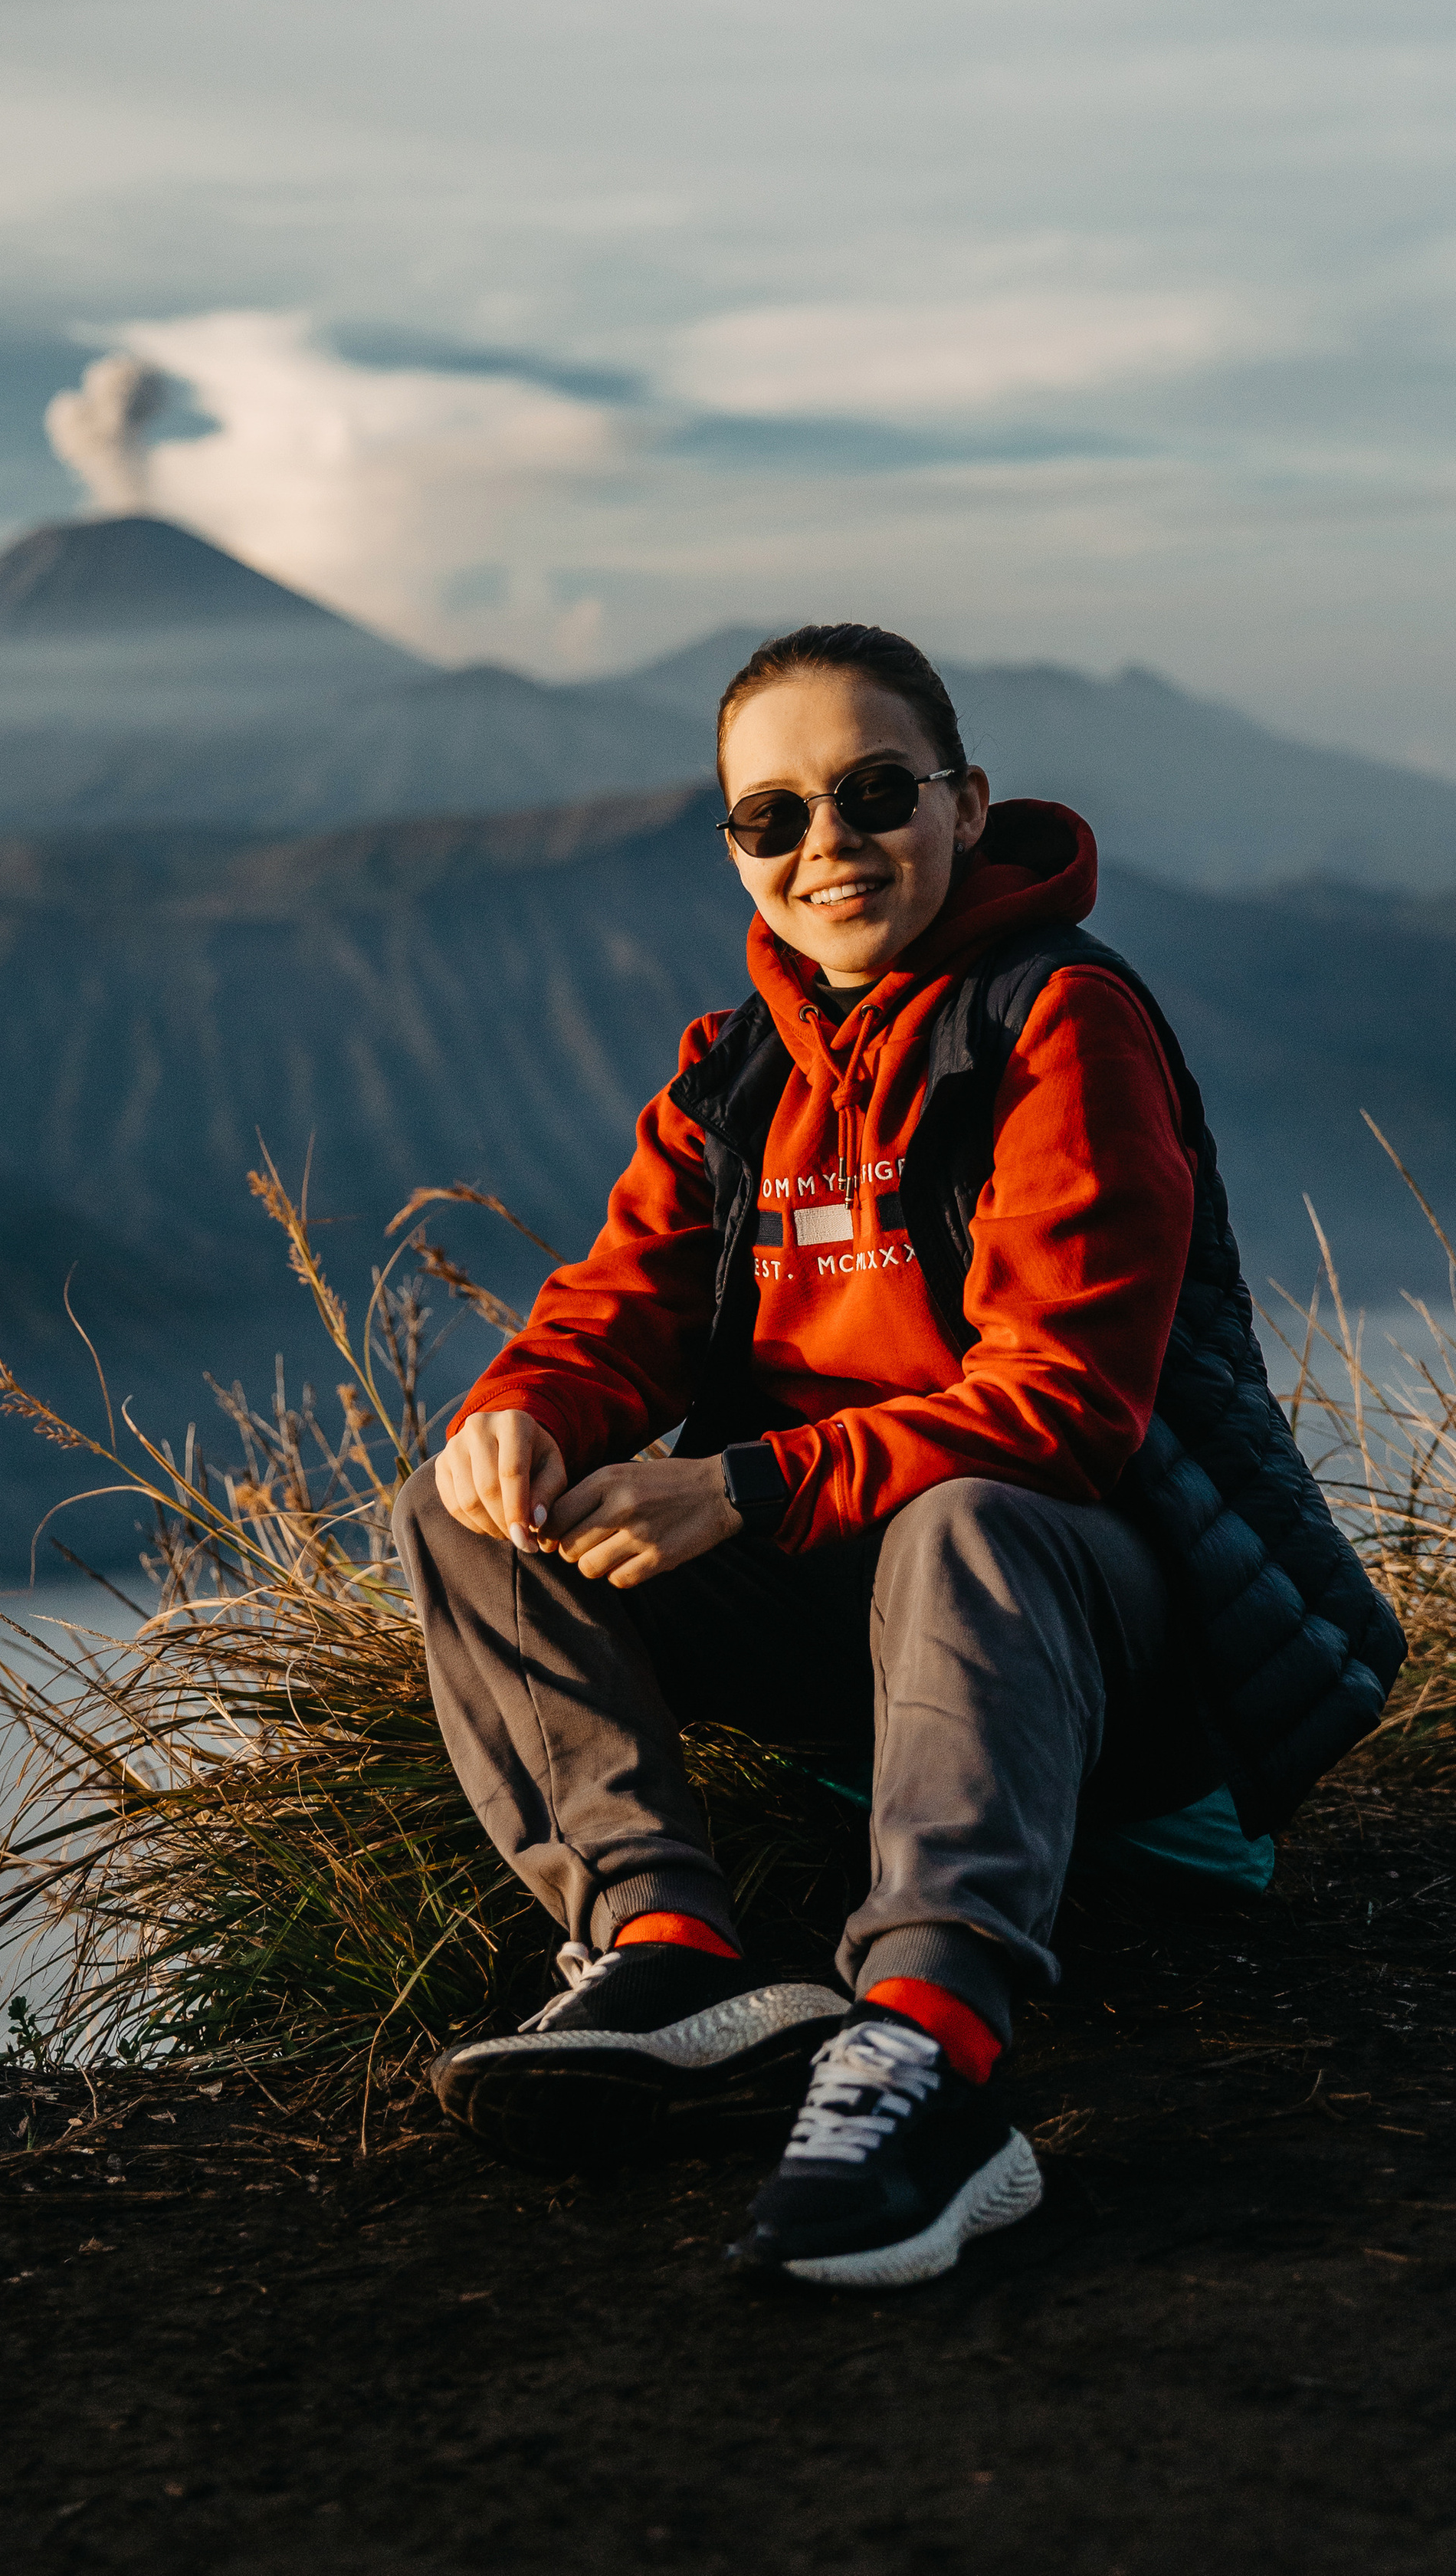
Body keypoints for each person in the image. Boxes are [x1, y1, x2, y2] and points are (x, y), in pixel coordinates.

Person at [393, 622, 1402, 2292]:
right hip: (871, 1623)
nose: (825, 847)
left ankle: (928, 2059)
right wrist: (523, 1415)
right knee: (458, 1514)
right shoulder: (734, 1075)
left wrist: (740, 1487)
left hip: (1097, 1636)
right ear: (731, 843)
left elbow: (1065, 1408)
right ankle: (664, 1949)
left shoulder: (1056, 1019)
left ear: (964, 800)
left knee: (967, 1516)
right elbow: (616, 1306)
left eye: (872, 793)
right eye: (769, 816)